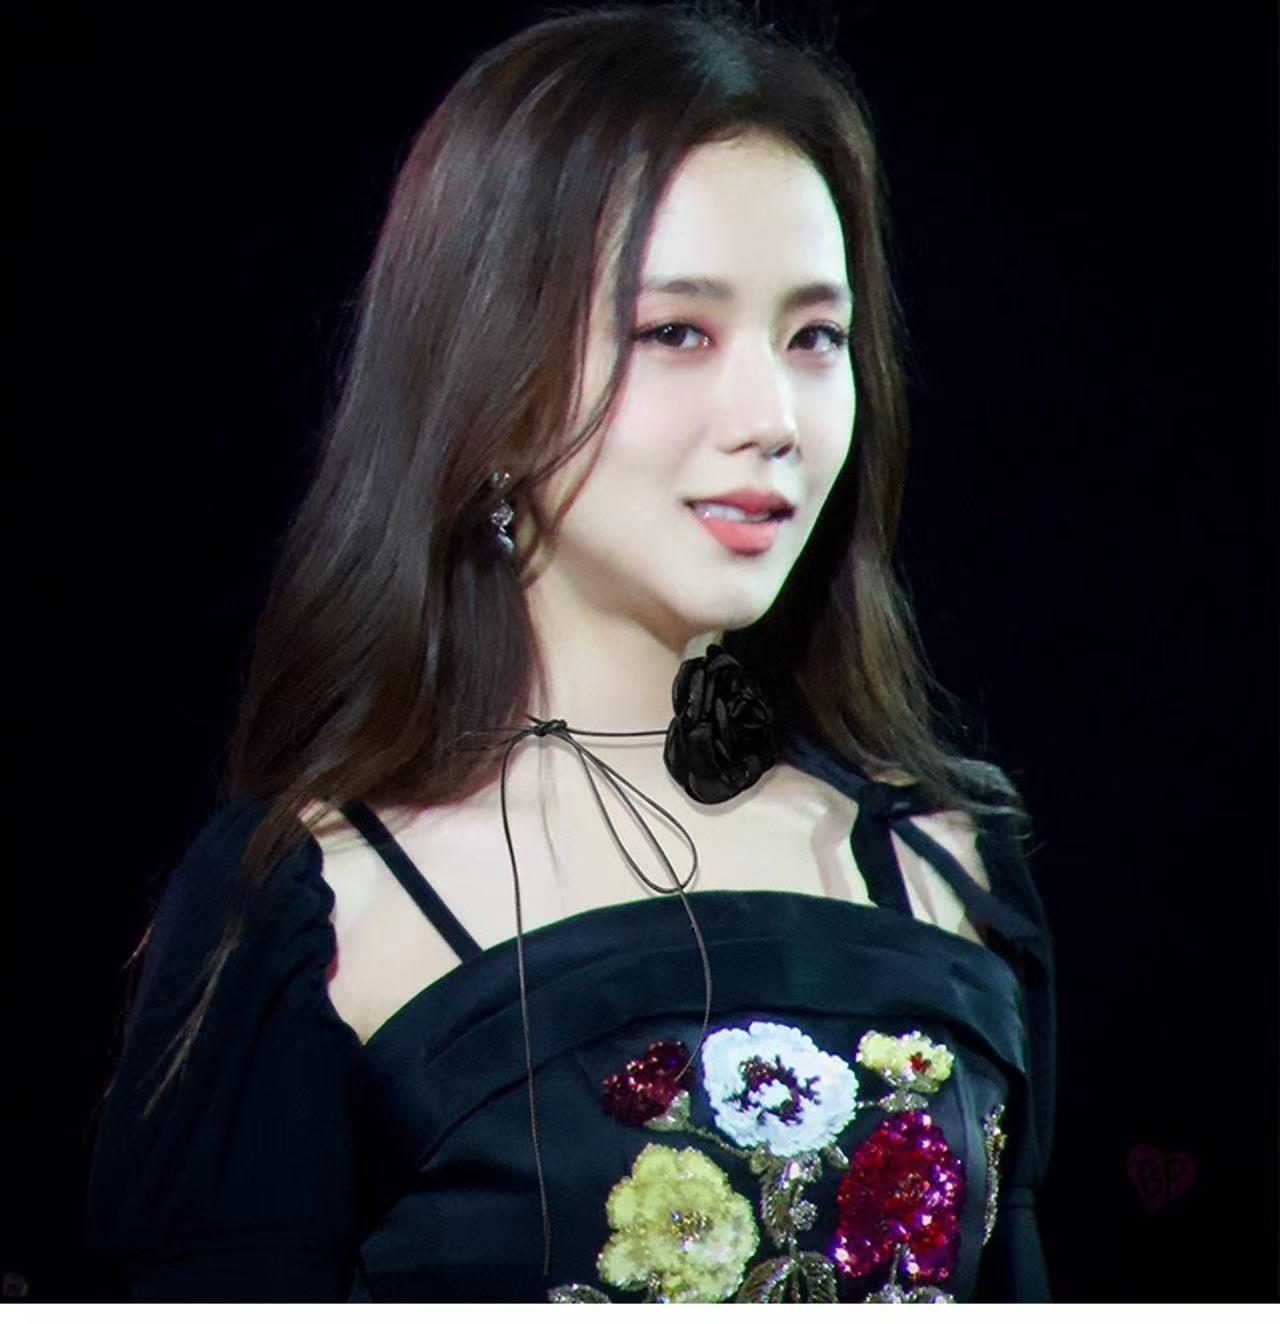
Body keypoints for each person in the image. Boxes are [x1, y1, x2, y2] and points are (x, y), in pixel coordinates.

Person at [86, 0, 1054, 1303]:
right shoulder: (318, 908)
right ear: (487, 385)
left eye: (814, 339)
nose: (772, 416)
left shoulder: (946, 864)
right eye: (676, 333)